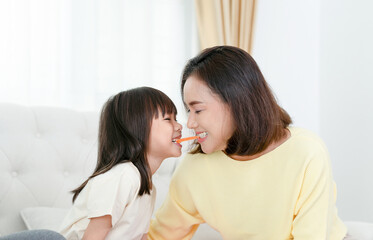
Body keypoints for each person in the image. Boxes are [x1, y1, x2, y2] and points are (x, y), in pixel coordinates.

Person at [148, 46, 348, 239]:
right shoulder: (195, 167)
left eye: (198, 110)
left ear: (236, 102)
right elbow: (161, 235)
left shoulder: (307, 153)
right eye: (188, 111)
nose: (190, 122)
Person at [59, 87, 183, 240]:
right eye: (168, 119)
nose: (179, 126)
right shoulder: (122, 176)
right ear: (137, 128)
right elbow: (93, 237)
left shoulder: (148, 188)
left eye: (176, 119)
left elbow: (141, 237)